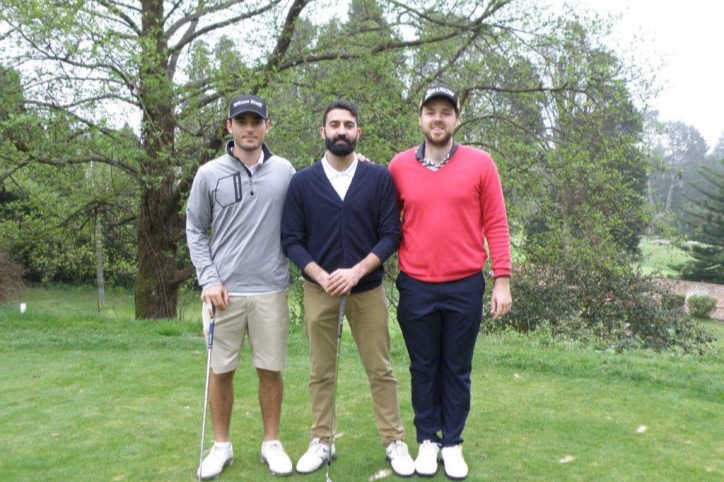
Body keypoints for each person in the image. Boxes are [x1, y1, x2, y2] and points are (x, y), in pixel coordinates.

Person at [280, 99, 415, 477]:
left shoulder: (378, 178)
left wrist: (356, 272)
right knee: (321, 371)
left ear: (358, 132)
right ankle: (322, 440)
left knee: (380, 368)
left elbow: (391, 234)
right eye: (334, 124)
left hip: (367, 290)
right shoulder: (302, 183)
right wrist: (321, 276)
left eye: (349, 125)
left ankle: (394, 441)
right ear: (322, 132)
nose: (342, 130)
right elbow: (291, 239)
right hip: (318, 290)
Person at [388, 83, 513, 480]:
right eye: (430, 112)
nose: (437, 119)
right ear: (420, 119)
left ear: (457, 118)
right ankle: (428, 439)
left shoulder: (481, 164)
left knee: (457, 368)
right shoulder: (398, 166)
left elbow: (496, 223)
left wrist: (502, 280)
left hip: (464, 285)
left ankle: (453, 442)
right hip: (416, 285)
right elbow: (385, 222)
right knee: (424, 367)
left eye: (445, 112)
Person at [186, 94, 296, 479]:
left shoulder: (285, 170)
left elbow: (310, 205)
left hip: (271, 289)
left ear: (267, 126)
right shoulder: (209, 173)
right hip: (223, 293)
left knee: (270, 370)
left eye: (257, 121)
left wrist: (356, 165)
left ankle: (271, 442)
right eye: (241, 121)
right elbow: (196, 229)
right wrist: (209, 278)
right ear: (229, 127)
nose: (249, 128)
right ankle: (221, 446)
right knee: (221, 371)